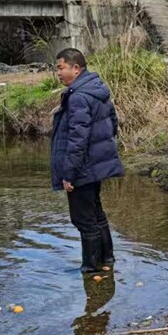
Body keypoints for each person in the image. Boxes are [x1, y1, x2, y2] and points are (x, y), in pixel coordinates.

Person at [50, 47, 124, 274]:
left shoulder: (79, 97)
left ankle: (91, 268)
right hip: (95, 164)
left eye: (61, 68)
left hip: (83, 167)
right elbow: (113, 123)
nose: (58, 73)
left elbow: (77, 139)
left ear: (76, 68)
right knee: (96, 214)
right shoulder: (96, 89)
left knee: (83, 219)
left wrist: (69, 174)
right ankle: (107, 259)